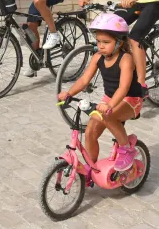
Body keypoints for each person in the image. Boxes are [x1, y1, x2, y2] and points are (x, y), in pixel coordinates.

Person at [57, 13, 141, 171]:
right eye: (98, 41)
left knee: (107, 116)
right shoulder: (97, 57)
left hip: (130, 100)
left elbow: (123, 88)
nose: (101, 46)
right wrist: (69, 93)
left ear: (120, 42)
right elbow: (84, 80)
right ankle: (91, 168)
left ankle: (127, 149)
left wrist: (109, 105)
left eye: (106, 42)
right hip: (109, 99)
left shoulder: (126, 59)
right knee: (90, 132)